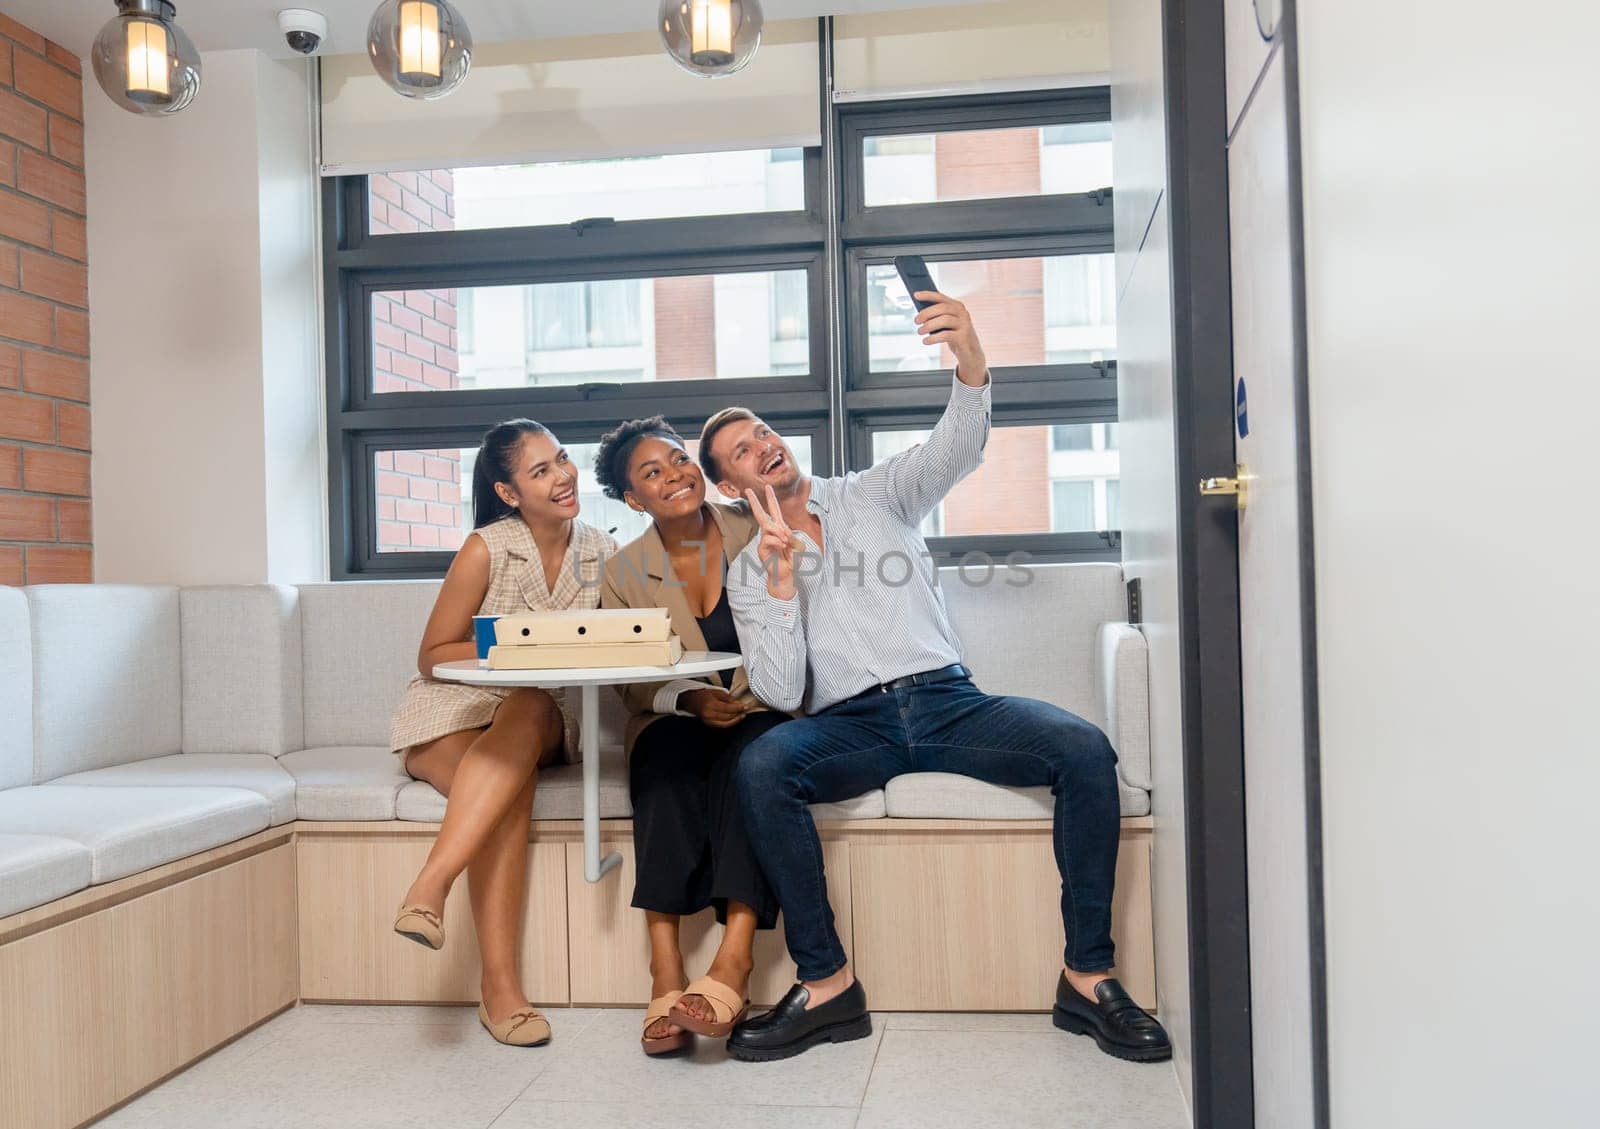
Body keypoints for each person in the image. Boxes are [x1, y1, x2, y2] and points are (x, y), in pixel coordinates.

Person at [700, 291, 1172, 1064]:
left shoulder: (875, 492)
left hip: (950, 702)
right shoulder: (751, 571)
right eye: (744, 452)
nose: (765, 447)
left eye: (763, 432)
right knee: (761, 764)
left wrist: (970, 355)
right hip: (848, 725)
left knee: (1084, 750)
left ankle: (1087, 978)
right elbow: (783, 693)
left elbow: (956, 444)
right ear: (729, 486)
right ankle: (827, 985)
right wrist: (784, 584)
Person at [388, 419, 616, 1048]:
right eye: (540, 470)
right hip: (451, 713)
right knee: (506, 798)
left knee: (529, 705)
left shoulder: (603, 550)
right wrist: (516, 645)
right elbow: (433, 655)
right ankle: (500, 989)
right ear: (509, 493)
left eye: (562, 460)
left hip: (533, 714)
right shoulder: (486, 547)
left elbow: (624, 644)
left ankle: (431, 884)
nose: (563, 476)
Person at [594, 416, 791, 1056]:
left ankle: (734, 961)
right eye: (652, 472)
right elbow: (627, 681)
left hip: (763, 708)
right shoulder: (624, 571)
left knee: (753, 766)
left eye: (678, 460)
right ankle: (666, 968)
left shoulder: (755, 524)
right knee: (663, 764)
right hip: (677, 716)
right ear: (632, 499)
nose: (674, 475)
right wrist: (686, 698)